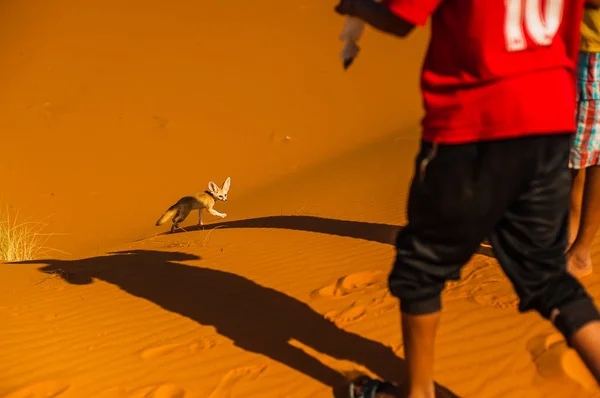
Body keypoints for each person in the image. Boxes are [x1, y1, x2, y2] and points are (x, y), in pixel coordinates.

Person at [333, 1, 600, 397]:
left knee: (420, 269)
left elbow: (399, 19)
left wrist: (357, 6)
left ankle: (418, 393)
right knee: (547, 276)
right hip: (549, 122)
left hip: (473, 126)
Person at [568, 1, 600, 278]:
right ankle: (569, 230)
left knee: (595, 151)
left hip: (595, 52)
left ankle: (580, 251)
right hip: (570, 44)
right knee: (576, 146)